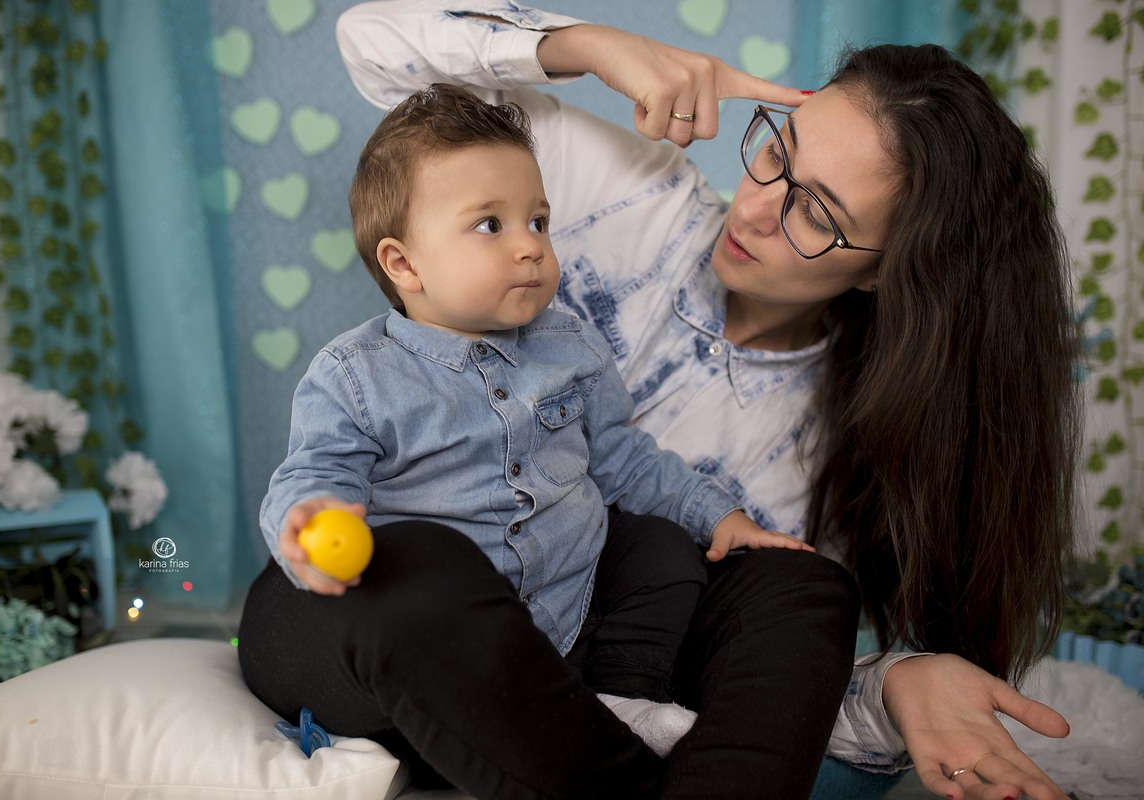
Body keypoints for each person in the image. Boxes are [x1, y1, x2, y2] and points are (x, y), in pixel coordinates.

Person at [331, 3, 1083, 800]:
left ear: (886, 273)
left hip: (596, 671)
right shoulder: (623, 195)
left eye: (816, 213)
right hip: (418, 618)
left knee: (800, 588)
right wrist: (584, 46)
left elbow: (764, 684)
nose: (756, 206)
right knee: (420, 570)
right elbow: (373, 48)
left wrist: (902, 683)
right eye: (775, 153)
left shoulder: (847, 446)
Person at [238, 81, 850, 799]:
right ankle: (573, 748)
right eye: (490, 226)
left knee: (658, 548)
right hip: (446, 640)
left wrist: (721, 517)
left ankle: (618, 698)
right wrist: (313, 518)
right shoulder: (358, 374)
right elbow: (316, 471)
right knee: (430, 558)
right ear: (404, 264)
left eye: (539, 220)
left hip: (567, 616)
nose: (530, 246)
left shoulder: (569, 346)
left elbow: (623, 457)